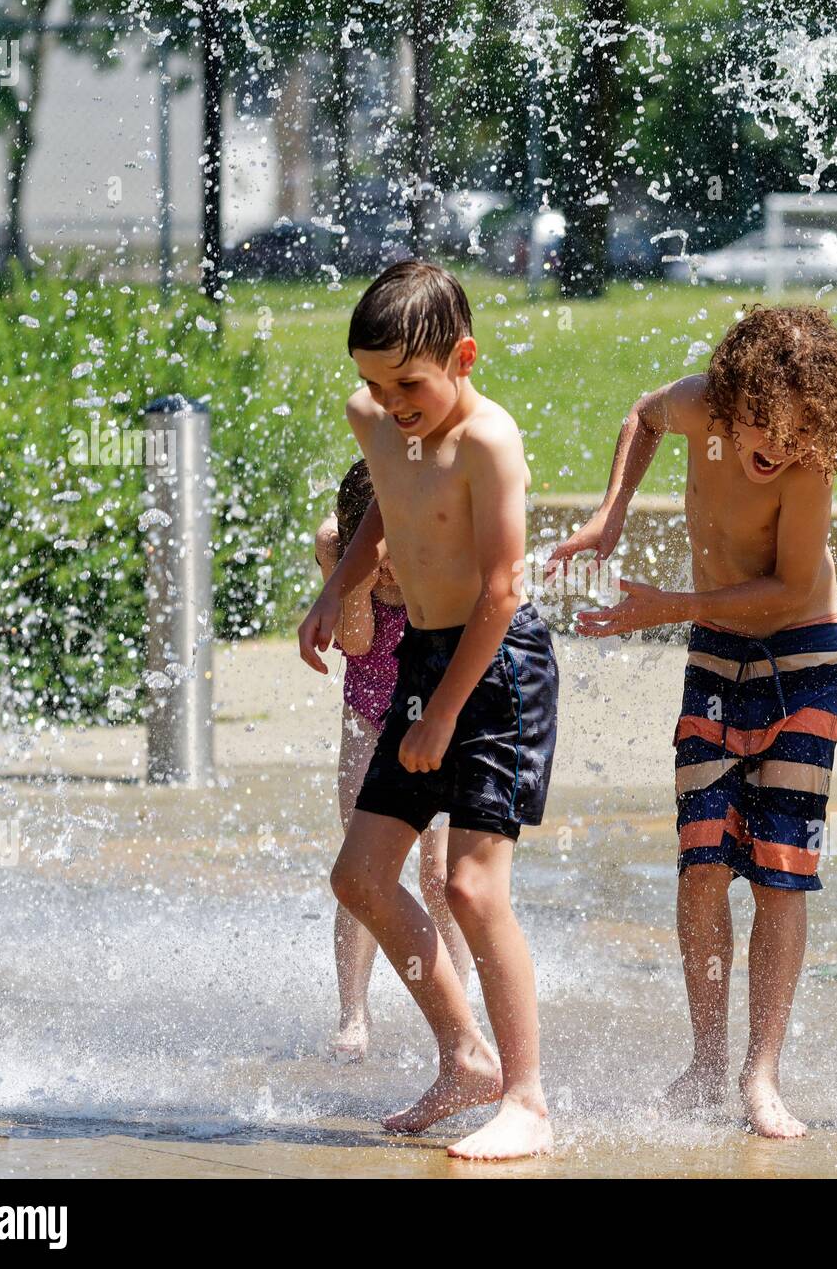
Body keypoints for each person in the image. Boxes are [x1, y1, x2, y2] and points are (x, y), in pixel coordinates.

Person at [547, 304, 837, 1138]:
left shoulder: (807, 469)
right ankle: (704, 1061)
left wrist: (668, 606)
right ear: (735, 396)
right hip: (717, 653)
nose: (777, 449)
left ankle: (762, 1073)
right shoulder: (701, 404)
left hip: (803, 659)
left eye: (798, 435)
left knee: (780, 869)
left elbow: (791, 592)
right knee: (701, 862)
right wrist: (612, 513)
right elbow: (642, 416)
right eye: (766, 427)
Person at [298, 260, 558, 1161]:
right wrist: (341, 585)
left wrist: (444, 713)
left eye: (409, 382)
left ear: (465, 355)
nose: (389, 401)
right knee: (360, 878)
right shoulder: (375, 416)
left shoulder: (489, 442)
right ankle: (464, 1056)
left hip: (497, 668)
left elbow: (499, 590)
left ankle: (526, 1097)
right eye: (373, 381)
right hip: (424, 659)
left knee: (470, 885)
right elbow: (388, 504)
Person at [312, 460, 470, 1061]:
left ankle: (457, 1016)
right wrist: (351, 574)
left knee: (440, 877)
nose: (386, 569)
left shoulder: (438, 545)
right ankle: (352, 1014)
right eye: (371, 554)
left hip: (435, 721)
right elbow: (354, 642)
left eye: (390, 552)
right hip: (367, 718)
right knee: (362, 872)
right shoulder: (340, 549)